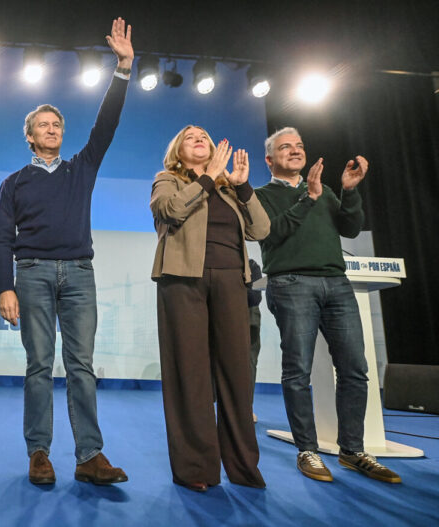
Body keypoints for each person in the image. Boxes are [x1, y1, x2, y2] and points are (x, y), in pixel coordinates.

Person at [0, 18, 132, 486]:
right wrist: (6, 287)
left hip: (79, 274)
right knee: (38, 366)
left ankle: (90, 456)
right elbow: (2, 239)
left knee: (81, 368)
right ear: (30, 136)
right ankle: (39, 453)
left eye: (56, 125)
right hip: (31, 273)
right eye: (43, 125)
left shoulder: (81, 168)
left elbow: (106, 126)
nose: (51, 129)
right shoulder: (14, 183)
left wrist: (123, 70)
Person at [255, 127, 401, 484]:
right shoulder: (260, 196)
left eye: (300, 146)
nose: (295, 150)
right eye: (286, 147)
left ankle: (352, 450)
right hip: (291, 285)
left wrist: (349, 191)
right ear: (269, 160)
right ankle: (307, 450)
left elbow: (350, 228)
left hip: (337, 283)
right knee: (297, 371)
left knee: (355, 368)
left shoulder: (325, 190)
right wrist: (309, 198)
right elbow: (272, 233)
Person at [150, 126, 270, 492]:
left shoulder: (229, 189)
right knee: (190, 373)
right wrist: (206, 178)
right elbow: (170, 210)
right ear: (178, 151)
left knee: (236, 372)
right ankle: (195, 468)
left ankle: (243, 467)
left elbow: (261, 229)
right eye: (190, 137)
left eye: (204, 135)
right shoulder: (167, 180)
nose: (199, 138)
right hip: (183, 279)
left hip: (232, 280)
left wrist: (243, 186)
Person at [247, 258, 263, 423]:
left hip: (248, 313)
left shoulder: (251, 266)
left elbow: (254, 298)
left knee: (249, 362)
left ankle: (246, 408)